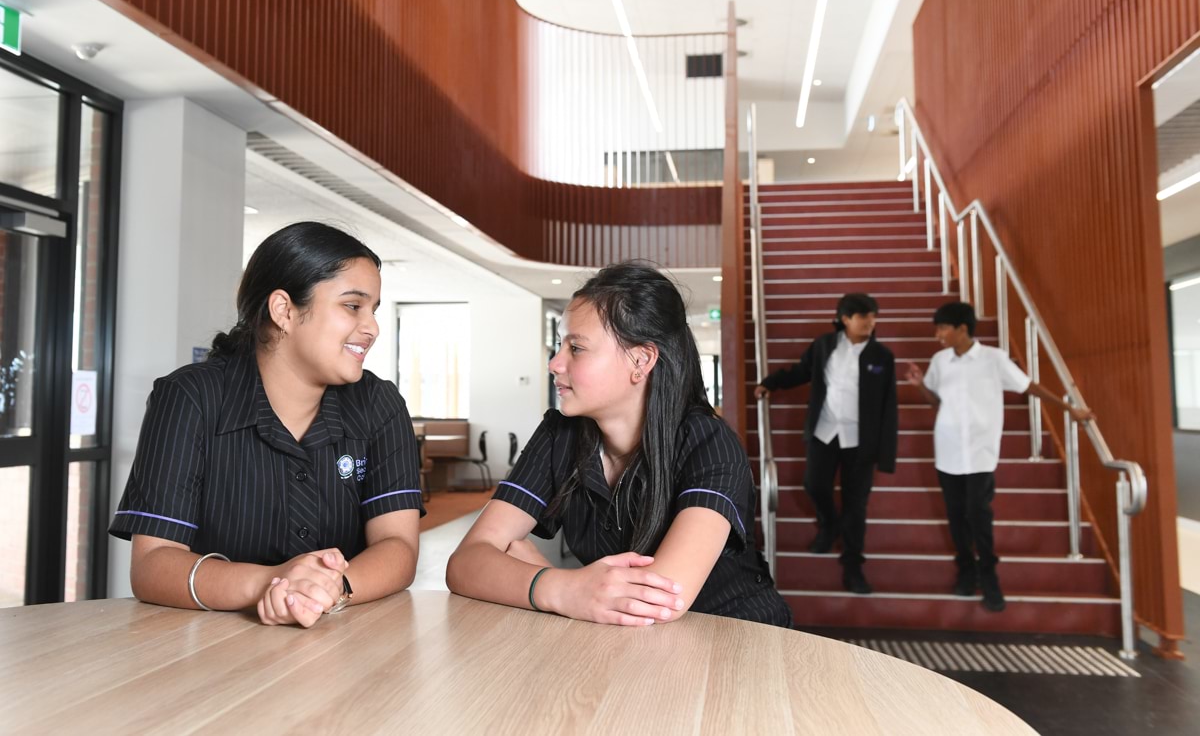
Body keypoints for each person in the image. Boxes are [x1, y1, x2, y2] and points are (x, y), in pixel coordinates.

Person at [110, 222, 423, 628]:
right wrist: (270, 584)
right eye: (352, 306)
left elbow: (398, 546)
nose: (372, 328)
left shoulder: (379, 404)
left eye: (374, 310)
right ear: (284, 310)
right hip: (209, 652)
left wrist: (331, 589)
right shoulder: (190, 399)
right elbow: (153, 565)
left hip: (340, 642)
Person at [446, 262, 791, 627]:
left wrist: (535, 575)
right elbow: (466, 562)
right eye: (560, 345)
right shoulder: (559, 434)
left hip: (737, 645)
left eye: (576, 348)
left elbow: (661, 601)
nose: (554, 363)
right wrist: (564, 588)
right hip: (626, 653)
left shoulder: (708, 442)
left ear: (641, 360)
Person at [907, 302, 1092, 612]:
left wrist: (1069, 409)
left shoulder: (994, 359)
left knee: (978, 514)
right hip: (948, 451)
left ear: (962, 328)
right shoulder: (940, 360)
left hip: (981, 453)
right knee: (956, 516)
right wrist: (919, 386)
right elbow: (935, 402)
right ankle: (966, 572)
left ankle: (989, 577)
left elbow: (1028, 386)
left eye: (943, 328)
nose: (938, 334)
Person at [753, 293, 898, 594]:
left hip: (861, 441)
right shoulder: (824, 346)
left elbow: (888, 406)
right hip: (825, 432)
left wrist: (884, 453)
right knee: (814, 485)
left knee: (856, 506)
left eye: (873, 317)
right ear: (845, 319)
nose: (870, 322)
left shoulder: (882, 356)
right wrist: (770, 383)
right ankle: (829, 524)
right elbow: (801, 371)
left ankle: (853, 566)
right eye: (863, 317)